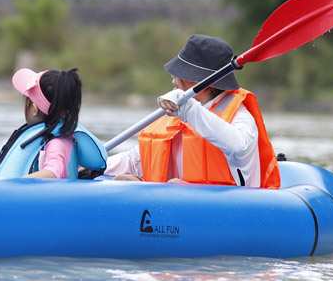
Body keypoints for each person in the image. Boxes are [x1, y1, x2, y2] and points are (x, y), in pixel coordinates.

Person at [105, 35, 280, 188]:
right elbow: (136, 160)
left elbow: (238, 146)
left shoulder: (241, 118)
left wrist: (189, 110)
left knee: (176, 187)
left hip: (225, 210)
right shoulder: (175, 115)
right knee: (126, 181)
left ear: (204, 84)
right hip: (172, 209)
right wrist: (96, 164)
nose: (174, 81)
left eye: (181, 75)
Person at [0, 67, 107, 179]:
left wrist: (15, 184)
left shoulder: (58, 142)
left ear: (34, 109)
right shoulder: (47, 138)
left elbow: (53, 173)